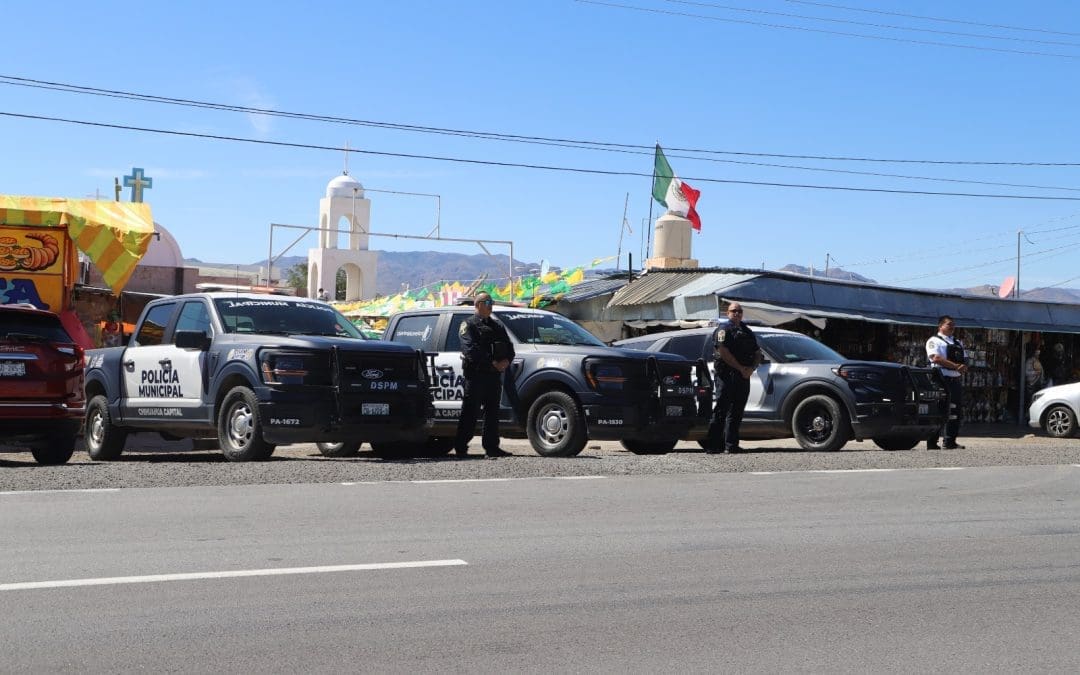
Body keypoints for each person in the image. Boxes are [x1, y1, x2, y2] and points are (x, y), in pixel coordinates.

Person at [454, 292, 515, 459]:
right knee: (470, 412)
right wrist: (491, 363)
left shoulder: (497, 326)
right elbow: (470, 350)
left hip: (493, 376)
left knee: (492, 413)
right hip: (476, 375)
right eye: (487, 301)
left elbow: (509, 348)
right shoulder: (468, 324)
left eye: (492, 301)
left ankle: (492, 447)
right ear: (478, 304)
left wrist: (506, 361)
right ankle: (461, 447)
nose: (491, 305)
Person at [703, 302, 762, 454]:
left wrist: (752, 368)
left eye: (740, 311)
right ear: (727, 313)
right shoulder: (723, 330)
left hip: (743, 376)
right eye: (734, 311)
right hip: (726, 376)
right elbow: (722, 351)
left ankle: (732, 445)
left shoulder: (747, 331)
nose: (737, 313)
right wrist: (741, 368)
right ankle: (713, 445)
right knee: (721, 411)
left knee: (737, 411)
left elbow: (757, 352)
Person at [926, 315, 967, 450]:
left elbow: (964, 359)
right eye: (949, 324)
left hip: (954, 379)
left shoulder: (957, 342)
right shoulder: (934, 341)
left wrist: (963, 367)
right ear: (940, 326)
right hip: (940, 379)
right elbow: (935, 358)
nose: (952, 327)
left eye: (953, 324)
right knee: (939, 409)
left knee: (955, 411)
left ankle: (950, 441)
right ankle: (932, 442)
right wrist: (956, 366)